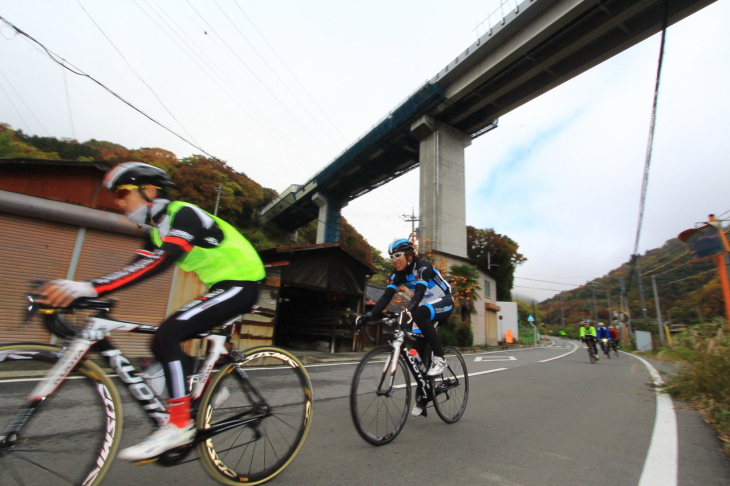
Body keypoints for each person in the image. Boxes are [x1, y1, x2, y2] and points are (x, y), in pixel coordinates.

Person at [38, 162, 266, 461]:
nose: (118, 201)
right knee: (159, 340)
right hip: (221, 284)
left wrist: (90, 288)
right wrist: (83, 293)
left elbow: (161, 261)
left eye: (123, 192)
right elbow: (134, 269)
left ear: (148, 190)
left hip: (243, 281)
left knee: (169, 333)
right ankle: (204, 384)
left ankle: (178, 424)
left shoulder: (184, 214)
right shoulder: (155, 233)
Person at [356, 238, 453, 417]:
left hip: (443, 300)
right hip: (423, 306)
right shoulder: (397, 274)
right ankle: (424, 394)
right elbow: (386, 297)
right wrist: (369, 315)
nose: (394, 259)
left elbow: (419, 293)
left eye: (398, 255)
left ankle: (440, 358)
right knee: (417, 352)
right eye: (392, 256)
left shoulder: (422, 266)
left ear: (409, 255)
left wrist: (408, 311)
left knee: (419, 313)